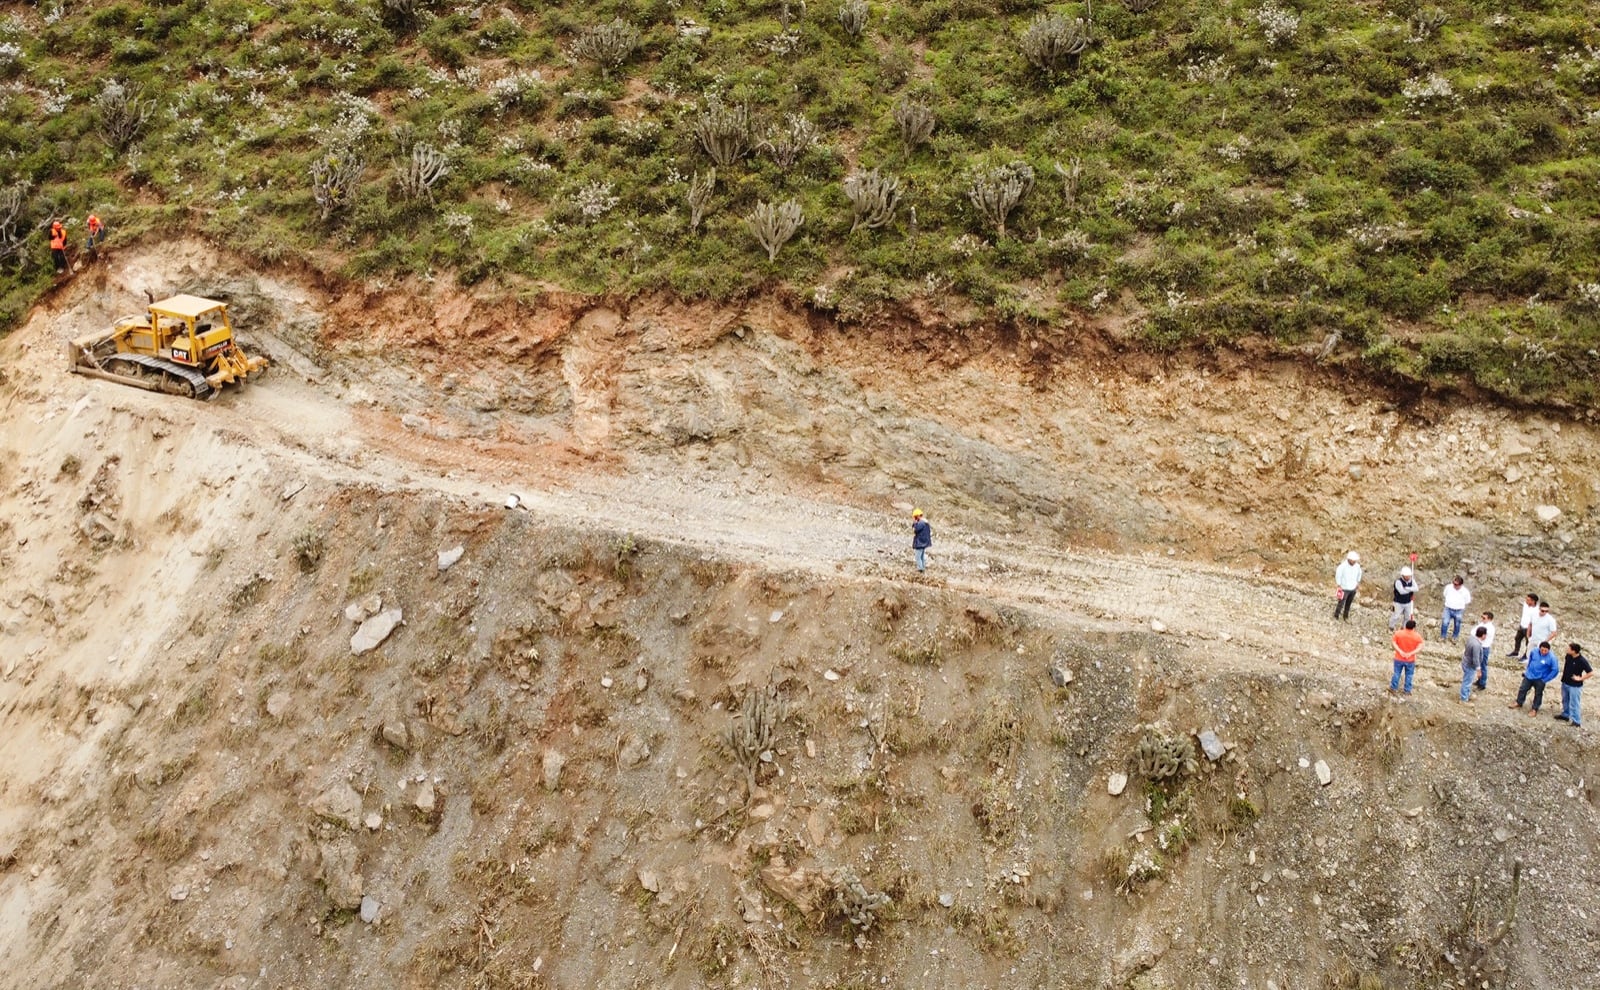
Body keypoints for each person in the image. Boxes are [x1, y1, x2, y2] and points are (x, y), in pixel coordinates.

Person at [1510, 641, 1561, 716]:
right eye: (1542, 650)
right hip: (1529, 675)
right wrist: (1527, 670)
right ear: (1539, 648)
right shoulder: (1534, 651)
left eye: (1545, 651)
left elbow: (1555, 670)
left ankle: (1535, 709)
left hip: (1540, 679)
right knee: (1523, 689)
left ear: (1549, 650)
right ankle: (1519, 702)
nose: (1543, 652)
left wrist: (1546, 679)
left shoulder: (1552, 658)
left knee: (1538, 694)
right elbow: (1530, 660)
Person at [1556, 643, 1593, 728]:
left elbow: (1590, 673)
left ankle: (1576, 721)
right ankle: (1565, 715)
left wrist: (1580, 678)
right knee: (1565, 700)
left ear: (1574, 651)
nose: (1566, 649)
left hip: (1575, 686)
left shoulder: (1582, 661)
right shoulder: (1568, 656)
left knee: (1574, 703)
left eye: (1568, 648)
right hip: (1565, 682)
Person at [1391, 619, 1423, 696]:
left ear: (1405, 625)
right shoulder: (1417, 636)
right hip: (1410, 660)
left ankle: (1393, 688)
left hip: (1398, 658)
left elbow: (1393, 642)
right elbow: (1420, 646)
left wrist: (1400, 651)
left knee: (1396, 673)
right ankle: (1407, 690)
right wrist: (1411, 653)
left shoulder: (1398, 633)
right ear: (1414, 627)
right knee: (1409, 675)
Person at [1439, 575, 1471, 643]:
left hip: (1459, 610)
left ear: (1460, 584)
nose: (1454, 585)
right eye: (1453, 583)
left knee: (1457, 624)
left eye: (1456, 584)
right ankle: (1443, 636)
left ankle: (1455, 637)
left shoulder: (1465, 592)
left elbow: (1467, 600)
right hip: (1448, 608)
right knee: (1445, 622)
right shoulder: (1448, 587)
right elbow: (1445, 594)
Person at [1460, 626, 1487, 703]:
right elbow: (1475, 658)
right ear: (1483, 635)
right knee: (1467, 682)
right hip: (1470, 665)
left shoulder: (1471, 638)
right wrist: (1479, 670)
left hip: (1465, 661)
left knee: (1468, 680)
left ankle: (1466, 695)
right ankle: (1464, 699)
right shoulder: (1476, 645)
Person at [1509, 594, 1540, 659]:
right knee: (1517, 638)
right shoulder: (1525, 605)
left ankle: (1526, 655)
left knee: (1528, 643)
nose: (1526, 601)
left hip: (1528, 628)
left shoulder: (1536, 610)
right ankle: (1516, 652)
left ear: (1533, 601)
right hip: (1522, 625)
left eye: (1528, 600)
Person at [1334, 551, 1362, 621]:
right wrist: (1339, 584)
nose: (1354, 562)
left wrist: (1358, 582)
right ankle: (1336, 615)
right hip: (1344, 588)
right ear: (1349, 559)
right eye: (1353, 560)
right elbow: (1338, 575)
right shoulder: (1342, 566)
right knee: (1341, 603)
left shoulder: (1357, 566)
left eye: (1355, 560)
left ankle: (1345, 616)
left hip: (1353, 588)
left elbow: (1359, 574)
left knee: (1348, 603)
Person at [1389, 566, 1419, 631]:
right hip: (1398, 602)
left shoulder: (1412, 580)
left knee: (1407, 617)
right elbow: (1401, 592)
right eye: (1406, 576)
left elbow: (1416, 589)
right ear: (1402, 575)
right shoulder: (1398, 582)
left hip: (1408, 602)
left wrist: (1407, 588)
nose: (1408, 577)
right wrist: (1411, 589)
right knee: (1396, 616)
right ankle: (1391, 626)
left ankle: (1404, 628)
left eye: (1409, 576)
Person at [1473, 611, 1495, 691]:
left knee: (1483, 666)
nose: (1482, 619)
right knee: (1479, 664)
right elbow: (1473, 632)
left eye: (1484, 618)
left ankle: (1482, 683)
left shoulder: (1490, 628)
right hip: (1480, 646)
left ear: (1489, 619)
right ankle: (1479, 681)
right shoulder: (1482, 625)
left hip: (1484, 648)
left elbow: (1478, 635)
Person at [910, 508, 931, 574]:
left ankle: (920, 570)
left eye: (915, 517)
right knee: (921, 557)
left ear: (917, 516)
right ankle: (922, 568)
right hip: (924, 542)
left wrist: (914, 523)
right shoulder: (925, 523)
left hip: (920, 542)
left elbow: (915, 530)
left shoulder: (921, 523)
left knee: (918, 557)